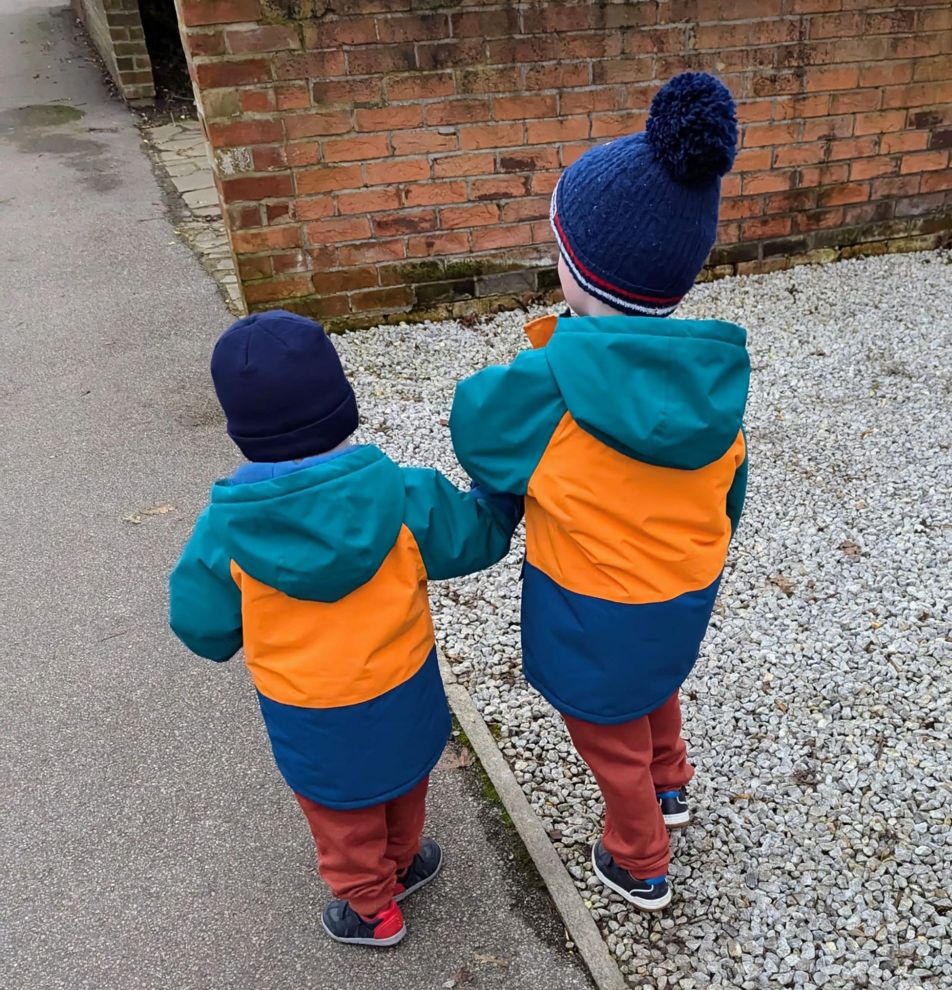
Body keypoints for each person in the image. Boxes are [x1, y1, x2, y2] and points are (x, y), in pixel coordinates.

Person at [450, 73, 748, 911]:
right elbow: (733, 490)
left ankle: (638, 857)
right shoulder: (712, 384)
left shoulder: (549, 386)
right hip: (681, 593)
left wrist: (544, 355)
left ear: (580, 275)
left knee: (607, 737)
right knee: (655, 688)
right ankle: (673, 781)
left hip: (592, 608)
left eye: (559, 249)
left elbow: (479, 428)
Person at [169, 310, 520, 945]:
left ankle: (370, 909)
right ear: (344, 407)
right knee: (405, 783)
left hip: (310, 712)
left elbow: (200, 625)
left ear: (242, 433)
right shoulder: (404, 497)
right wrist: (502, 488)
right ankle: (403, 863)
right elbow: (477, 535)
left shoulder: (226, 531)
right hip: (405, 688)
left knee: (341, 815)